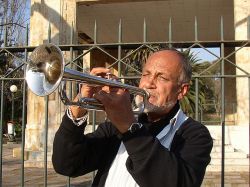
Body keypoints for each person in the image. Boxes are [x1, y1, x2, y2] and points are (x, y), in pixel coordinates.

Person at [52, 49, 213, 187]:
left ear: (182, 90)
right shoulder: (113, 128)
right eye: (146, 74)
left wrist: (129, 127)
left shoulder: (195, 134)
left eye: (162, 78)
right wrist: (79, 104)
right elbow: (66, 164)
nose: (149, 83)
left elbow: (175, 182)